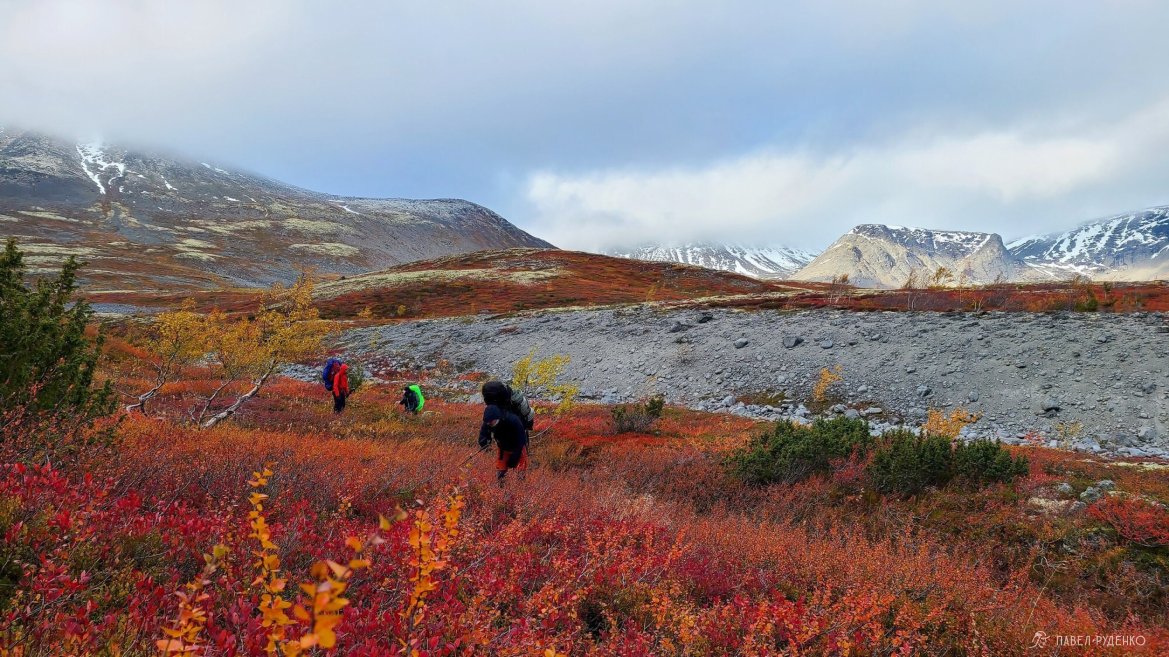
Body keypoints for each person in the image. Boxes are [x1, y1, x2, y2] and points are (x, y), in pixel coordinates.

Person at [478, 380, 528, 485]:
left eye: (492, 422)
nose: (490, 424)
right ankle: (501, 492)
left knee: (520, 473)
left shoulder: (513, 419)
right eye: (489, 423)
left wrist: (515, 455)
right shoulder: (490, 416)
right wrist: (483, 440)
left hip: (517, 447)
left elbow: (521, 439)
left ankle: (521, 492)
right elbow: (484, 430)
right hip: (503, 447)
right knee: (500, 473)